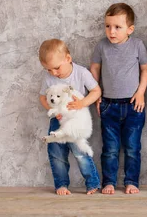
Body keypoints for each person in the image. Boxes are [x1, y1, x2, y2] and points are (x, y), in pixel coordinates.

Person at [90, 3, 147, 195]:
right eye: (108, 26)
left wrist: (140, 92)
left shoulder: (137, 45)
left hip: (133, 105)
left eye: (117, 27)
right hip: (109, 105)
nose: (111, 31)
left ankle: (131, 181)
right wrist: (96, 92)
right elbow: (95, 69)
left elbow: (145, 70)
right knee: (110, 148)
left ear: (130, 29)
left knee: (132, 148)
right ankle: (109, 182)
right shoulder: (101, 46)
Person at [38, 39, 101, 195]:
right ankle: (61, 185)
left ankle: (92, 182)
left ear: (68, 59)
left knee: (79, 151)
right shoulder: (49, 79)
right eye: (48, 70)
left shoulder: (81, 73)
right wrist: (52, 109)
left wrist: (82, 103)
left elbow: (96, 91)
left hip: (76, 120)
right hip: (57, 120)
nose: (53, 73)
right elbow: (42, 98)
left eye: (56, 68)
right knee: (56, 152)